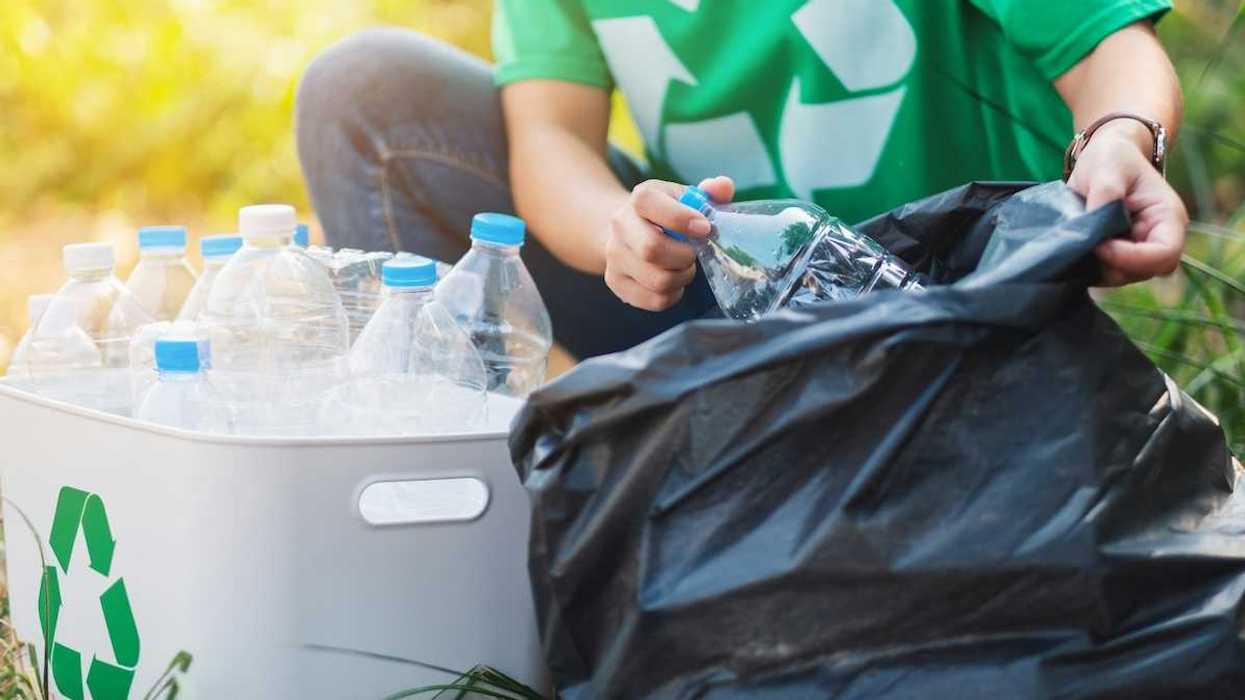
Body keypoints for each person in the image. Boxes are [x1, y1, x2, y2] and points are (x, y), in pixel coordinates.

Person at [296, 0, 1186, 359]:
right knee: (366, 96)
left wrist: (1118, 141)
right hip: (708, 294)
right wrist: (621, 229)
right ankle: (460, 508)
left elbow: (1109, 51)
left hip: (946, 312)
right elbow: (550, 144)